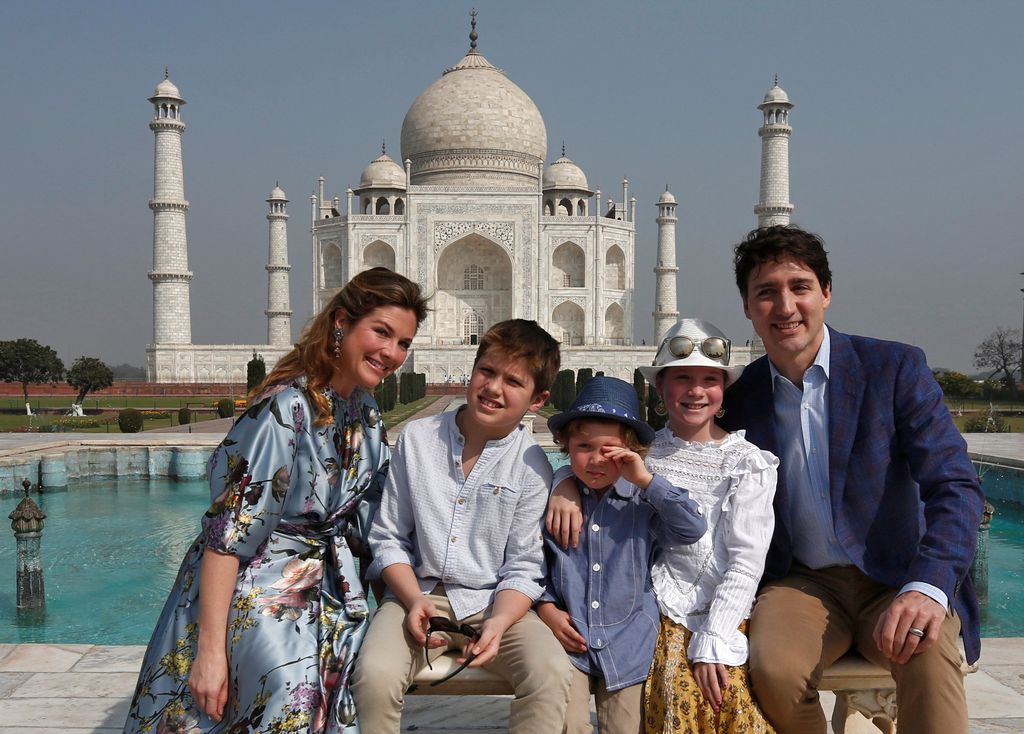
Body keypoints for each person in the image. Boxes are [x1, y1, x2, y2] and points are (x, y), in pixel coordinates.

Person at [124, 267, 428, 734]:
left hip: (325, 590)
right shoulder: (287, 408)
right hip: (257, 589)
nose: (391, 353)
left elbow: (373, 521)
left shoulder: (364, 410)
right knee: (283, 699)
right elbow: (229, 536)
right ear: (342, 322)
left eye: (403, 343)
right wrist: (210, 652)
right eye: (382, 333)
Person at [721, 225, 984, 734]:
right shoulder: (743, 396)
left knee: (927, 654)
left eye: (799, 287)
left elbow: (954, 484)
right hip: (804, 582)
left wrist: (928, 586)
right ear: (748, 308)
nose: (785, 306)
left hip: (896, 574)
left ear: (826, 293)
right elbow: (680, 461)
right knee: (773, 669)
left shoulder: (891, 368)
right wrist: (581, 484)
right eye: (766, 292)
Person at [547, 319, 779, 733]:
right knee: (672, 692)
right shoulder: (641, 452)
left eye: (709, 378)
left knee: (724, 697)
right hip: (656, 610)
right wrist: (561, 482)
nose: (695, 390)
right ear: (660, 389)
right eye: (682, 378)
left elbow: (745, 562)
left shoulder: (747, 461)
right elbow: (588, 465)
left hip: (723, 612)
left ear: (723, 389)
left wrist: (712, 639)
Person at [351, 319, 574, 733]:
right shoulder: (418, 439)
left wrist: (498, 623)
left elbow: (524, 567)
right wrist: (413, 600)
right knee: (374, 675)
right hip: (415, 596)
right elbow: (389, 539)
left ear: (537, 399)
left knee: (549, 673)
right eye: (487, 372)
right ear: (472, 371)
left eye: (513, 381)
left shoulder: (532, 466)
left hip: (492, 603)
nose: (493, 388)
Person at [538, 376, 707, 734]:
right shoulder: (557, 505)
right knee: (565, 724)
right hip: (569, 644)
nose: (596, 459)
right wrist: (547, 609)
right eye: (583, 446)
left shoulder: (642, 502)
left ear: (631, 452)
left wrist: (646, 480)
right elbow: (536, 566)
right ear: (565, 446)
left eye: (609, 450)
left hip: (628, 645)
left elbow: (691, 528)